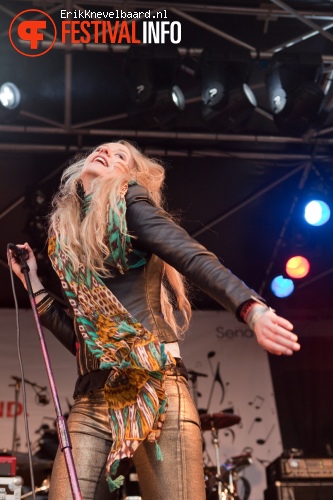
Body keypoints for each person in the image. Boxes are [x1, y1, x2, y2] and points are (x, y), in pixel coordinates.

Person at [9, 140, 300, 500]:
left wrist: (250, 309)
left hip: (157, 387)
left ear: (128, 177)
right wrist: (32, 281)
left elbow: (192, 256)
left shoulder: (131, 204)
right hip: (93, 399)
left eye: (120, 156)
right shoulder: (65, 246)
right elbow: (82, 342)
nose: (105, 153)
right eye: (101, 149)